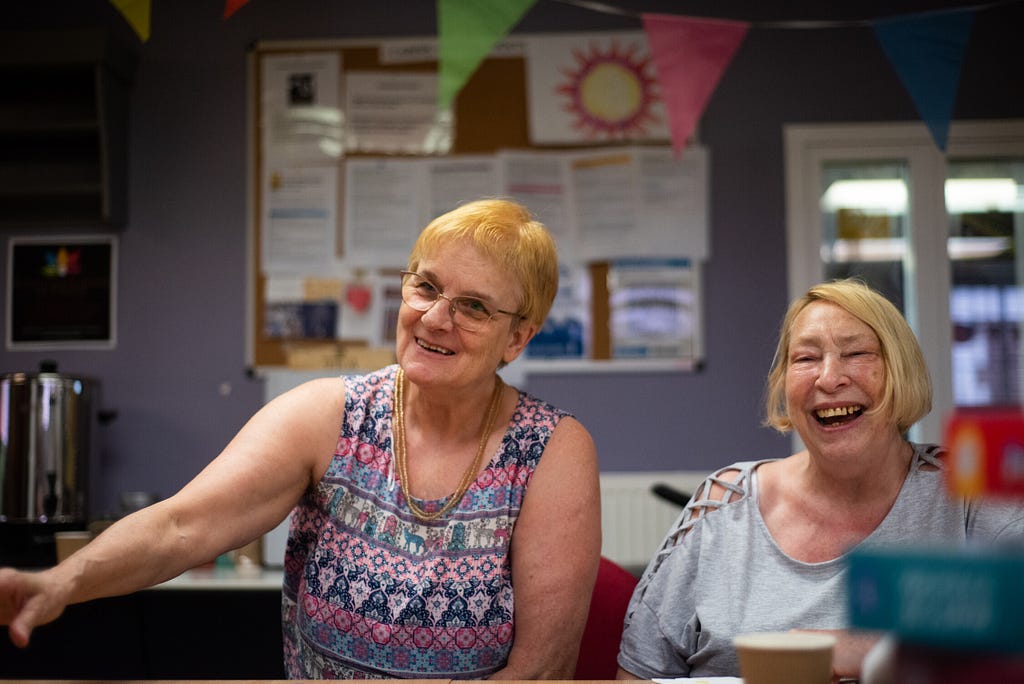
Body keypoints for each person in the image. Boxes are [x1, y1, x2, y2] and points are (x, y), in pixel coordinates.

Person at [0, 198, 602, 680]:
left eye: (472, 306)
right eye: (427, 286)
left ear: (517, 338)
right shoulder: (330, 415)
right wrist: (59, 583)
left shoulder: (553, 448)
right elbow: (183, 527)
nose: (435, 317)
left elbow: (541, 671)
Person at [616, 278, 1024, 682]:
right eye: (806, 359)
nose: (828, 379)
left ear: (901, 372)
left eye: (857, 353)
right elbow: (637, 674)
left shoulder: (968, 491)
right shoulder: (722, 502)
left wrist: (875, 651)